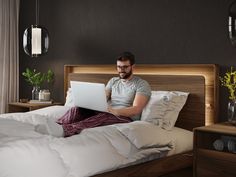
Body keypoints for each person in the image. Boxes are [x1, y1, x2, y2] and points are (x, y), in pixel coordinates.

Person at [57, 51, 151, 137]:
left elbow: (136, 109)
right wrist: (92, 104)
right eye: (119, 67)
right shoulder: (113, 81)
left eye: (125, 67)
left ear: (133, 67)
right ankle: (58, 125)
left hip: (125, 118)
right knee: (77, 109)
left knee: (103, 117)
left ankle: (68, 130)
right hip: (108, 112)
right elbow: (104, 97)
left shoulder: (141, 84)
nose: (121, 70)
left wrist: (115, 111)